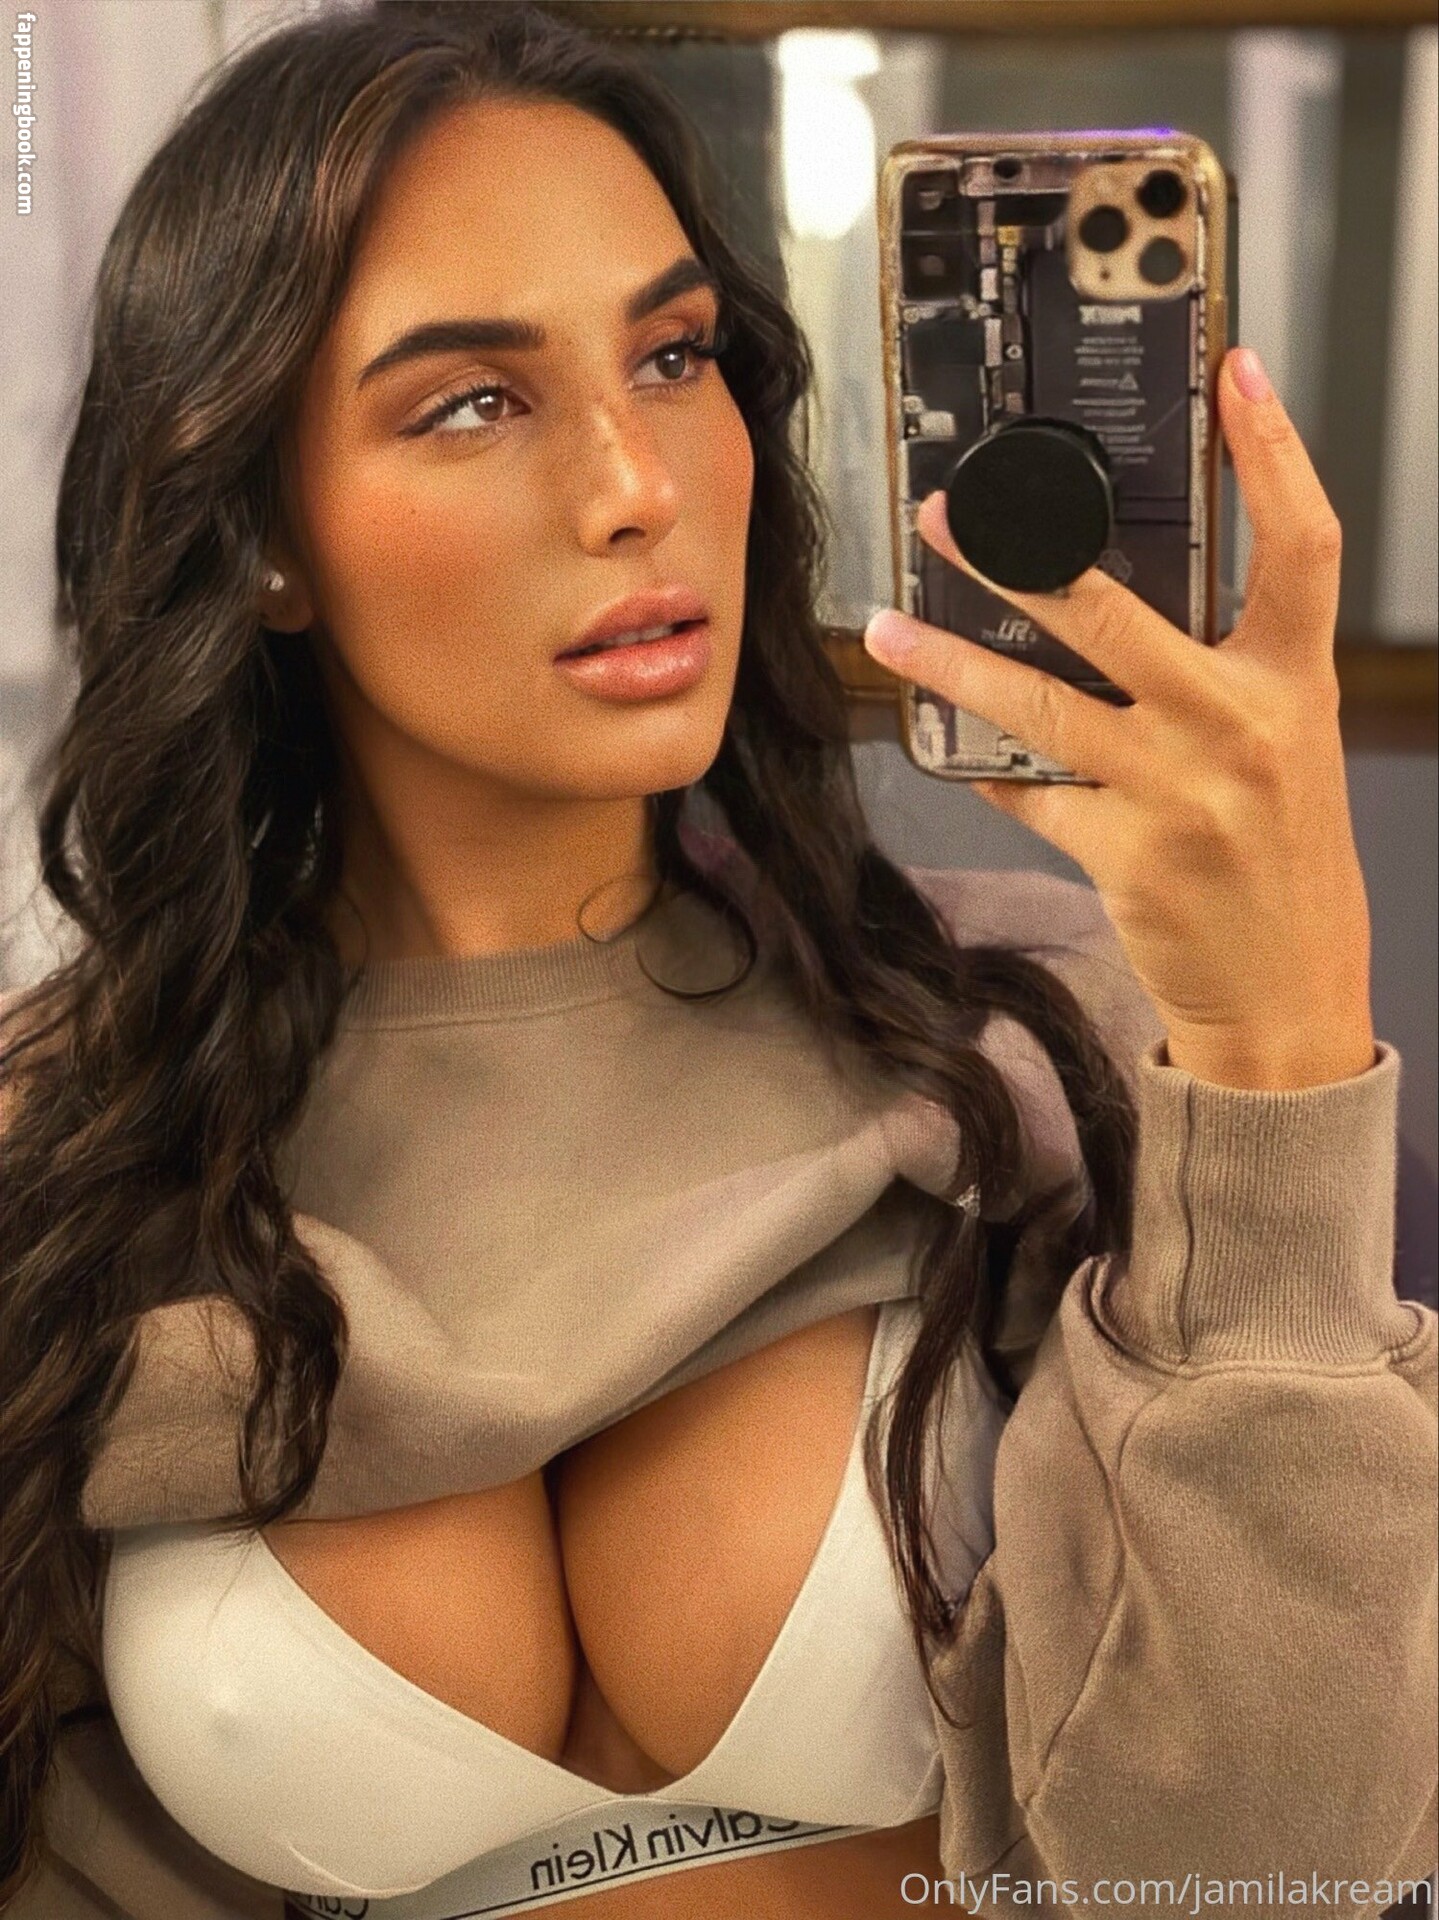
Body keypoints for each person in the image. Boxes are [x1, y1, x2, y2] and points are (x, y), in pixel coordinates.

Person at [1, 6, 1433, 1918]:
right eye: (472, 400)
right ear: (259, 530)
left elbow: (1279, 1875)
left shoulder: (1028, 1041)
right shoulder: (70, 1153)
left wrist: (1277, 1041)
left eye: (674, 357)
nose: (638, 484)